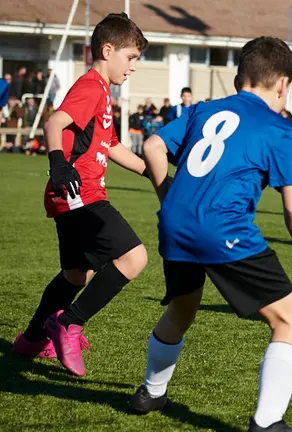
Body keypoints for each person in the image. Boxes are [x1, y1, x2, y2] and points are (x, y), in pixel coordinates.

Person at [130, 36, 292, 432]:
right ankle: (267, 422)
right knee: (291, 321)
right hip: (223, 229)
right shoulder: (279, 129)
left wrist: (171, 196)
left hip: (175, 225)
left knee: (183, 308)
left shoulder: (202, 109)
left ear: (238, 79)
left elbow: (151, 146)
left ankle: (151, 391)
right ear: (283, 84)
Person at [12, 13, 150, 377]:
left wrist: (156, 175)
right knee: (134, 258)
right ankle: (68, 324)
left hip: (73, 195)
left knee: (76, 275)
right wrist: (59, 164)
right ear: (107, 50)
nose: (134, 67)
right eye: (131, 57)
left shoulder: (103, 91)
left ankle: (31, 339)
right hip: (79, 192)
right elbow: (54, 122)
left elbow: (114, 146)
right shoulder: (91, 85)